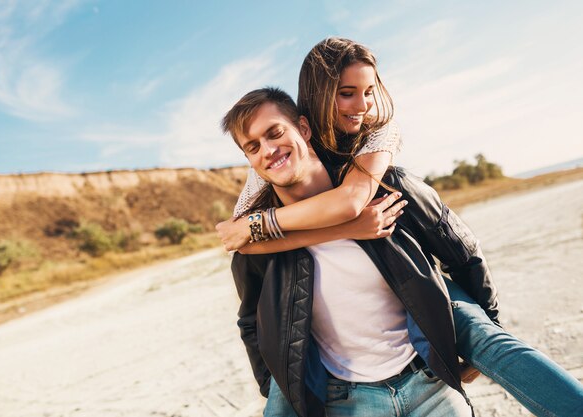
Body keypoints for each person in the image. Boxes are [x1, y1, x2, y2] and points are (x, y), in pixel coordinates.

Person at [219, 38, 583, 417]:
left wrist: (484, 333)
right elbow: (250, 315)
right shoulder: (256, 224)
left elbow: (462, 252)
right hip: (349, 400)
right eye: (253, 146)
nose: (267, 149)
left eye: (275, 133)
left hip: (426, 381)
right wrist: (279, 384)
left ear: (304, 129)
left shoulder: (384, 179)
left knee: (497, 343)